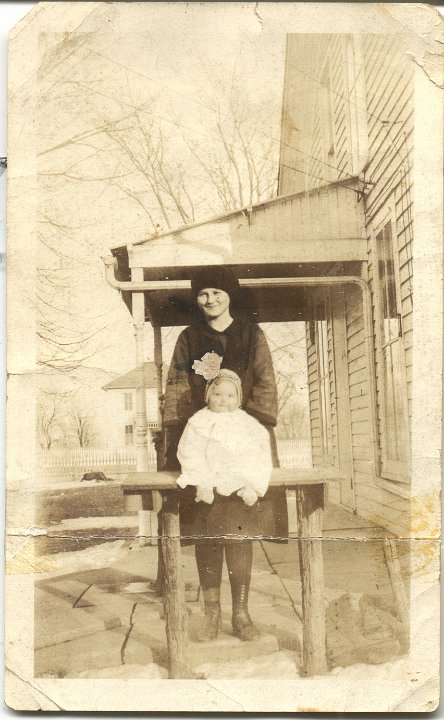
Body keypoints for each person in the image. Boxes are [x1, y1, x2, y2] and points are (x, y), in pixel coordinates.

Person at [163, 266, 288, 642]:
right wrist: (193, 430)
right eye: (203, 294)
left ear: (230, 295)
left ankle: (242, 614)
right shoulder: (189, 337)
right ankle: (211, 614)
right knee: (206, 529)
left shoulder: (251, 334)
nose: (210, 299)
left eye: (217, 292)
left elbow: (265, 380)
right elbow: (178, 384)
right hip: (202, 447)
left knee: (240, 530)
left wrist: (242, 427)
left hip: (244, 446)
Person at [176, 369, 273, 506]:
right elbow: (189, 446)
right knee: (194, 459)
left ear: (238, 399)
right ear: (208, 396)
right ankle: (204, 486)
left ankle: (249, 487)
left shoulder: (244, 419)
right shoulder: (200, 419)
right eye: (217, 394)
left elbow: (259, 439)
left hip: (237, 464)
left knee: (255, 457)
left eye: (230, 396)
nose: (223, 399)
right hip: (210, 464)